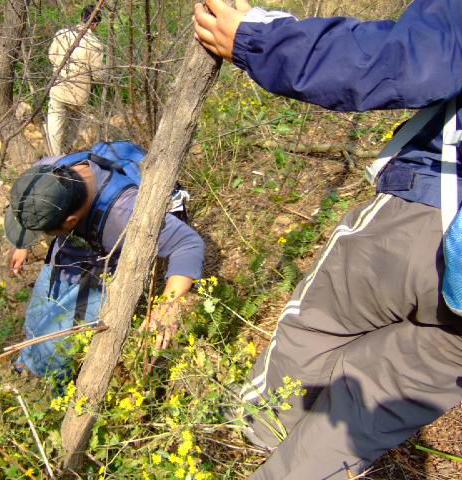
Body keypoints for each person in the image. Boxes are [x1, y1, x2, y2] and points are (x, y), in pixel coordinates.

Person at [194, 0, 462, 478]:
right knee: (370, 410)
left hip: (429, 215)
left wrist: (261, 41)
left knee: (316, 330)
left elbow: (414, 60)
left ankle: (246, 444)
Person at [4, 142, 205, 378]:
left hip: (107, 262)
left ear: (70, 222)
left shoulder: (124, 214)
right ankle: (29, 361)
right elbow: (31, 202)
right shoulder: (50, 170)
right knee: (36, 318)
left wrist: (167, 305)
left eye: (44, 231)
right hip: (72, 246)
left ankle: (50, 374)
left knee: (54, 348)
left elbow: (188, 243)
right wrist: (22, 242)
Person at [46, 5, 105, 156]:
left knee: (54, 124)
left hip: (58, 86)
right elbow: (97, 74)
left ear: (81, 18)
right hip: (79, 94)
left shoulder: (62, 34)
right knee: (73, 125)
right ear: (95, 24)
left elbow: (51, 57)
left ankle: (53, 156)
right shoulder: (95, 44)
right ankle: (66, 154)